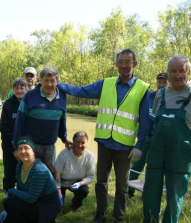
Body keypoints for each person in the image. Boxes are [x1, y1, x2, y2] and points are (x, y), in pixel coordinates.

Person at [57, 49, 150, 223]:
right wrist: (59, 84)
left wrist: (139, 146)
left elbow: (145, 121)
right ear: (116, 64)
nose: (123, 65)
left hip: (125, 146)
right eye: (120, 62)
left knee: (122, 186)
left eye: (127, 62)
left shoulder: (142, 88)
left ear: (134, 64)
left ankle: (118, 218)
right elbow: (81, 91)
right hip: (105, 143)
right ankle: (100, 214)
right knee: (101, 182)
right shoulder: (105, 83)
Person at [143, 55, 191, 223]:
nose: (177, 75)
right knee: (150, 193)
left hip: (182, 154)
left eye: (182, 71)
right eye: (173, 71)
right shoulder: (160, 94)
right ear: (167, 73)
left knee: (174, 198)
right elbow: (154, 122)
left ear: (188, 72)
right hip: (157, 151)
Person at [13, 67, 71, 165]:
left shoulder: (62, 97)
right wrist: (17, 147)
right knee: (31, 174)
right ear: (40, 81)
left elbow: (62, 120)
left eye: (52, 81)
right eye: (46, 81)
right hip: (31, 146)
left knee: (48, 175)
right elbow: (19, 123)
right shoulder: (30, 96)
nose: (49, 84)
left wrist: (64, 139)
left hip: (50, 146)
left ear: (57, 81)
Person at [1, 137, 61, 223]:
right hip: (35, 202)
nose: (23, 151)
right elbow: (21, 189)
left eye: (26, 148)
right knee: (9, 211)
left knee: (10, 203)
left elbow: (30, 198)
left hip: (46, 206)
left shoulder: (39, 170)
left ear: (33, 151)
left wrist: (10, 190)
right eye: (20, 149)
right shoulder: (20, 165)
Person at [128, 72, 169, 197]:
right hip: (146, 137)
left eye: (164, 82)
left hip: (161, 140)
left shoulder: (170, 100)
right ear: (156, 82)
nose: (161, 85)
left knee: (154, 167)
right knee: (137, 164)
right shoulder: (148, 97)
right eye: (159, 82)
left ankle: (149, 193)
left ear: (169, 83)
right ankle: (128, 190)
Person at [54, 131, 95, 211]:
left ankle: (76, 203)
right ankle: (60, 201)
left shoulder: (90, 156)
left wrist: (80, 183)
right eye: (77, 142)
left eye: (83, 143)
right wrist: (58, 191)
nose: (80, 145)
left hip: (77, 182)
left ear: (86, 143)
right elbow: (56, 173)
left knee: (84, 191)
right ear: (73, 142)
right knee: (58, 208)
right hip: (62, 181)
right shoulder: (64, 153)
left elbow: (91, 176)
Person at [0, 78, 28, 191]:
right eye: (16, 88)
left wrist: (23, 144)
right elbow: (3, 126)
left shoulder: (30, 104)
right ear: (13, 89)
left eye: (22, 88)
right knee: (9, 169)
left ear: (26, 89)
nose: (19, 90)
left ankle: (24, 191)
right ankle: (8, 191)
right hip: (9, 143)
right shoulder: (8, 104)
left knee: (25, 168)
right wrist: (14, 142)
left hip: (26, 144)